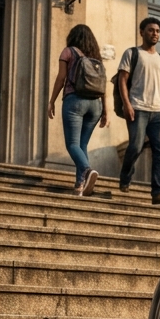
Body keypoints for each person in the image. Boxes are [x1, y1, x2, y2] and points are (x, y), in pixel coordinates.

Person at [117, 17, 160, 206]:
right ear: (142, 32)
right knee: (135, 146)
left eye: (157, 31)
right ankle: (126, 176)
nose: (155, 33)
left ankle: (158, 194)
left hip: (159, 112)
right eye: (151, 30)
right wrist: (127, 104)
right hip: (138, 108)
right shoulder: (132, 53)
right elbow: (122, 80)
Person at [49, 24, 109, 196]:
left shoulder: (68, 52)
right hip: (95, 105)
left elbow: (61, 78)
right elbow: (103, 86)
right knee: (82, 145)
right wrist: (105, 110)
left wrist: (52, 101)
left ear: (73, 37)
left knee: (72, 144)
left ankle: (87, 171)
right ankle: (79, 186)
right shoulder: (96, 58)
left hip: (75, 100)